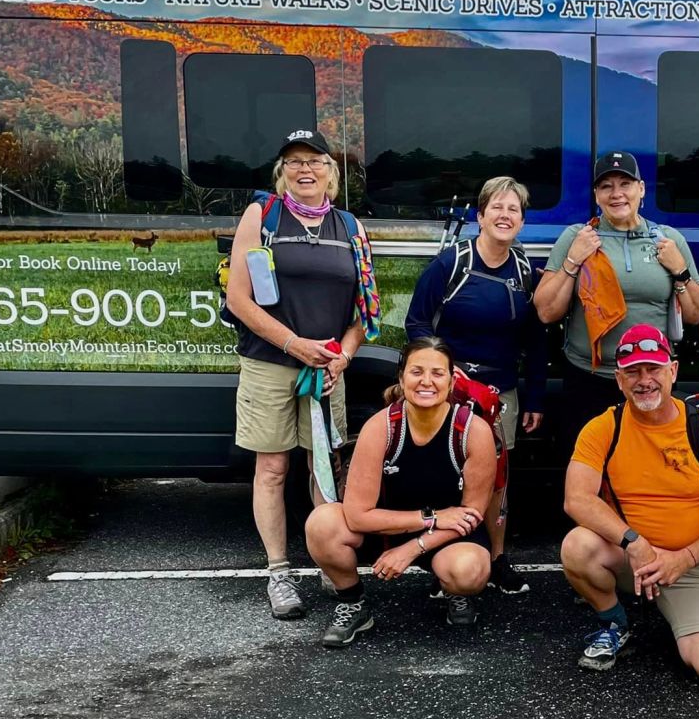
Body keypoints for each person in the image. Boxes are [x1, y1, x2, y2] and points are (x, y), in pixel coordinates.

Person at [226, 128, 370, 622]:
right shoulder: (262, 216)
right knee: (272, 468)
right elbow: (237, 298)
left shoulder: (350, 226)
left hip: (328, 368)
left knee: (323, 468)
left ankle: (328, 561)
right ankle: (279, 571)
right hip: (270, 362)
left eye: (315, 161)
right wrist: (293, 344)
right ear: (281, 171)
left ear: (332, 171)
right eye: (294, 162)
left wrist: (343, 356)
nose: (304, 170)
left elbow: (363, 311)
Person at [561, 324, 699, 681]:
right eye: (633, 371)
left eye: (654, 369)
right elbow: (577, 499)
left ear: (673, 371)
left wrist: (683, 559)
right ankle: (615, 624)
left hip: (695, 562)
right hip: (635, 557)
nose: (644, 380)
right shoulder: (604, 428)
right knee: (577, 546)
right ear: (619, 379)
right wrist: (635, 542)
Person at [305, 337, 497, 645]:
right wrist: (431, 518)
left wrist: (413, 547)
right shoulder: (382, 426)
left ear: (451, 382)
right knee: (322, 523)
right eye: (416, 371)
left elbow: (471, 515)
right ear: (401, 377)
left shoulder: (472, 431)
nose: (426, 382)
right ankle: (353, 602)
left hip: (450, 534)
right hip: (393, 525)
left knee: (469, 571)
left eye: (437, 373)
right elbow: (356, 516)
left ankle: (454, 592)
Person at [405, 176, 546, 595]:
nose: (505, 216)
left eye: (514, 210)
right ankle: (443, 560)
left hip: (501, 392)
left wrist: (535, 396)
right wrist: (444, 371)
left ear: (521, 222)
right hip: (453, 391)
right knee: (449, 476)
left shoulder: (525, 272)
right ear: (480, 216)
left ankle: (498, 559)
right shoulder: (453, 263)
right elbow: (416, 322)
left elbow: (536, 342)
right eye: (496, 208)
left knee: (498, 482)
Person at [535, 151, 699, 458]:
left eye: (625, 184)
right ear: (596, 195)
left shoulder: (668, 240)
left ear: (641, 189)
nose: (616, 194)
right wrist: (574, 260)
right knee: (586, 470)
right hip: (589, 378)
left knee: (649, 469)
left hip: (649, 381)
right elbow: (547, 310)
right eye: (606, 186)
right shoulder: (577, 236)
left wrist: (679, 270)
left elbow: (695, 312)